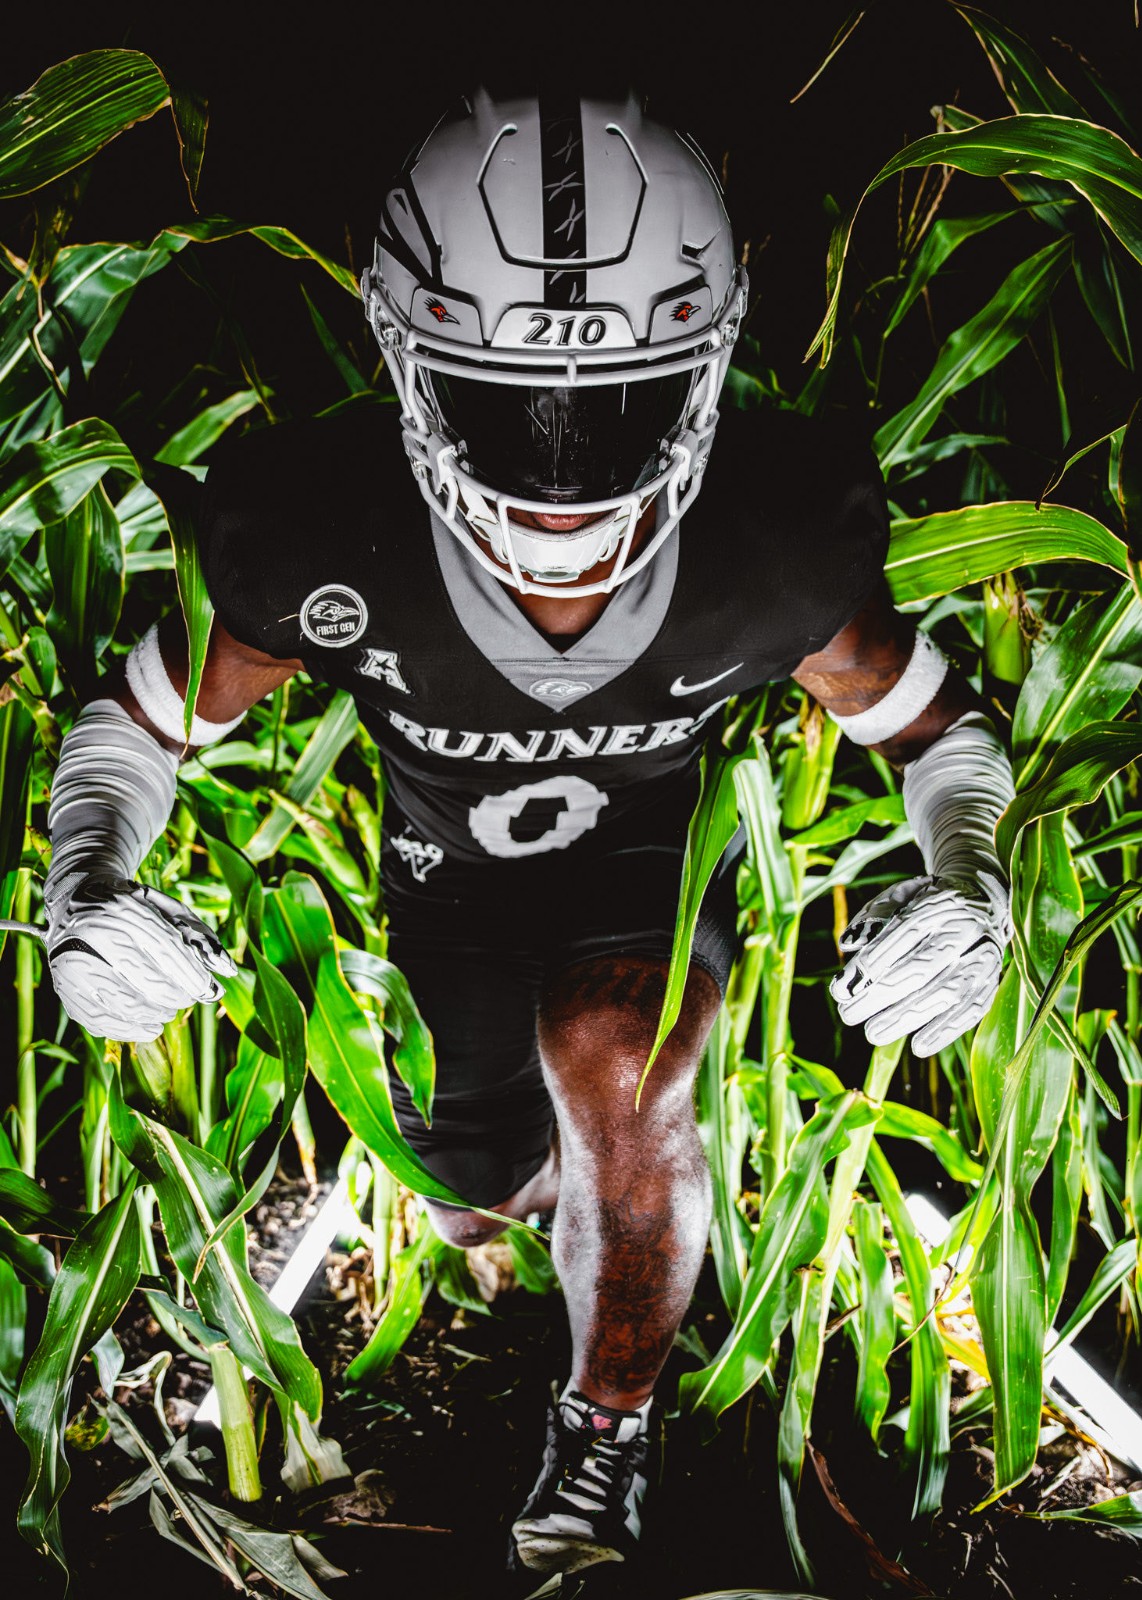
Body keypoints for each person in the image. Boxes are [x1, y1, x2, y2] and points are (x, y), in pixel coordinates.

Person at [41, 89, 1013, 1594]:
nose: (560, 473)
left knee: (618, 1054)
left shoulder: (765, 542)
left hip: (647, 875)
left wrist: (970, 875)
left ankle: (604, 1432)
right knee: (474, 1186)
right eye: (506, 405)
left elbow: (932, 731)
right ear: (406, 358)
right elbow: (146, 723)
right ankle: (563, 1207)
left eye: (614, 404)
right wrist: (85, 883)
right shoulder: (322, 528)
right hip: (448, 904)